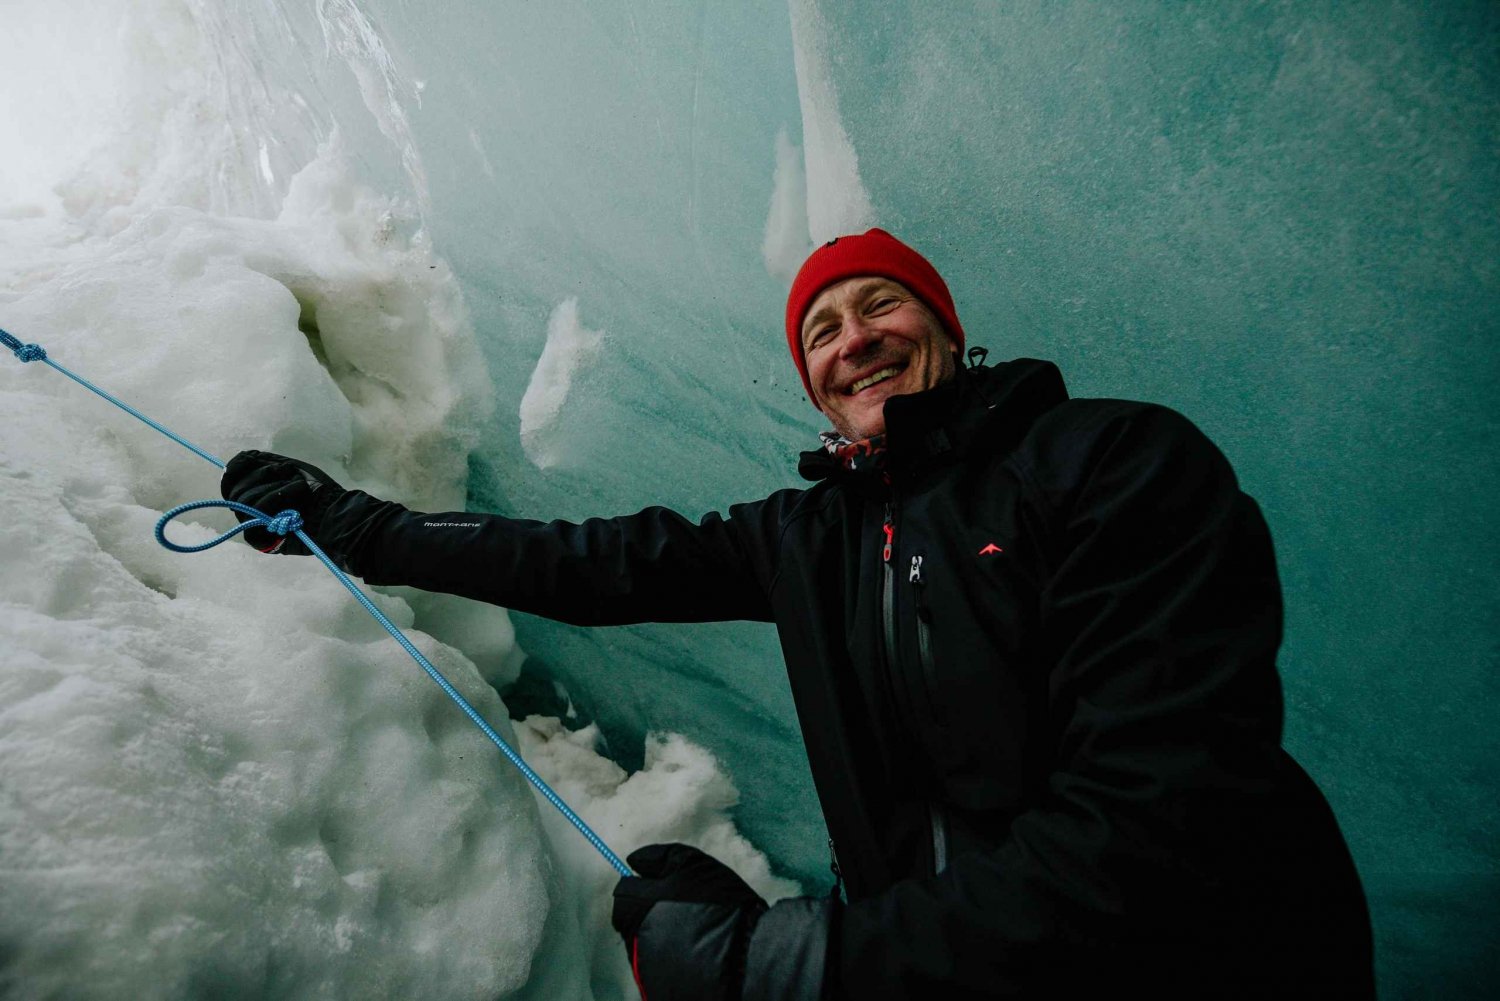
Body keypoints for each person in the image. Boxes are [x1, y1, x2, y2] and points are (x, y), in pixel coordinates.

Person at [222, 229, 1375, 999]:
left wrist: (794, 961)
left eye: (881, 306)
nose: (853, 337)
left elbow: (1157, 822)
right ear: (812, 381)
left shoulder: (1105, 459)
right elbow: (598, 562)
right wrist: (357, 526)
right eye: (822, 331)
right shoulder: (812, 534)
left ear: (947, 330)